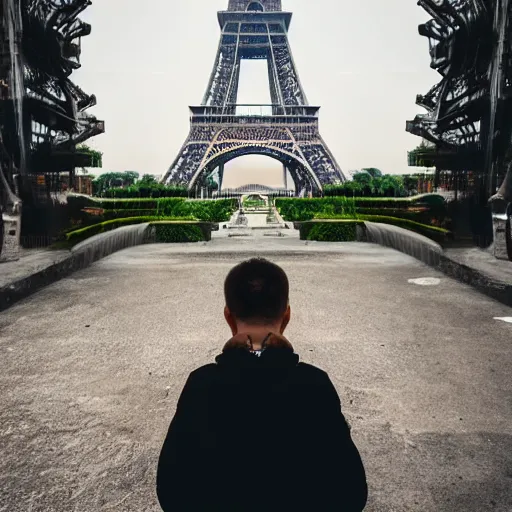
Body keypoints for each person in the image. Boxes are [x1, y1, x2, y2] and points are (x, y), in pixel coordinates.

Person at [157, 258, 368, 511]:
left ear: (228, 316)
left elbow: (171, 490)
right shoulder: (313, 383)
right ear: (287, 314)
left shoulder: (202, 383)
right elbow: (352, 492)